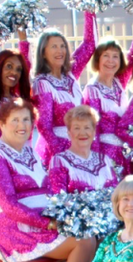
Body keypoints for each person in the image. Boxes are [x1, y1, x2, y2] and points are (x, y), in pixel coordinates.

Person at [0, 99, 97, 262]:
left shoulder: (30, 152)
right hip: (16, 230)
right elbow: (10, 207)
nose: (22, 125)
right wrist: (49, 223)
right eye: (15, 120)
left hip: (44, 222)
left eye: (26, 119)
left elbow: (50, 192)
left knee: (95, 234)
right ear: (2, 124)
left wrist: (67, 215)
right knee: (84, 241)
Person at [83, 13, 133, 172]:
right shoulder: (92, 90)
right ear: (97, 60)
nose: (111, 61)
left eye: (115, 56)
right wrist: (98, 164)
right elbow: (93, 131)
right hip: (106, 156)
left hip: (125, 154)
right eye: (106, 56)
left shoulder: (119, 83)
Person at [33, 17, 96, 168]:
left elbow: (89, 45)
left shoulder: (71, 74)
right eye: (54, 46)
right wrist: (65, 154)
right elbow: (44, 126)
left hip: (81, 144)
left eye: (62, 46)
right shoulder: (42, 83)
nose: (60, 50)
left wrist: (89, 8)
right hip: (57, 152)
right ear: (43, 53)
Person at [48, 106, 119, 194]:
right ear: (69, 133)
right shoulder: (59, 161)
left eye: (87, 128)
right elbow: (58, 199)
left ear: (94, 132)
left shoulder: (105, 159)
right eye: (77, 128)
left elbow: (116, 194)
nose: (82, 133)